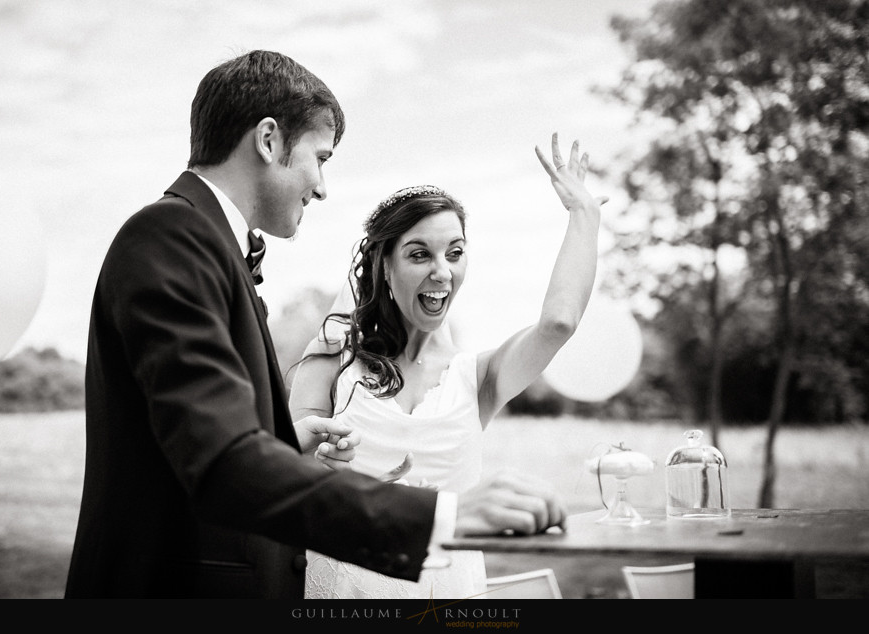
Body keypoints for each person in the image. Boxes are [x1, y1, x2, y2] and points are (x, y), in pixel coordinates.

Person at [63, 50, 569, 599]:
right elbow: (222, 464)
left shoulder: (205, 244)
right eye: (319, 158)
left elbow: (192, 440)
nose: (322, 186)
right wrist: (441, 519)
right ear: (269, 140)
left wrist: (285, 443)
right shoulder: (173, 237)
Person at [289, 133, 607, 599]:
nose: (442, 271)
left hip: (450, 592)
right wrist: (322, 466)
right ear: (383, 264)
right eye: (420, 254)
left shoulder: (479, 377)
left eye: (454, 253)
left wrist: (585, 216)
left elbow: (558, 323)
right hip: (346, 586)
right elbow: (280, 472)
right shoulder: (333, 359)